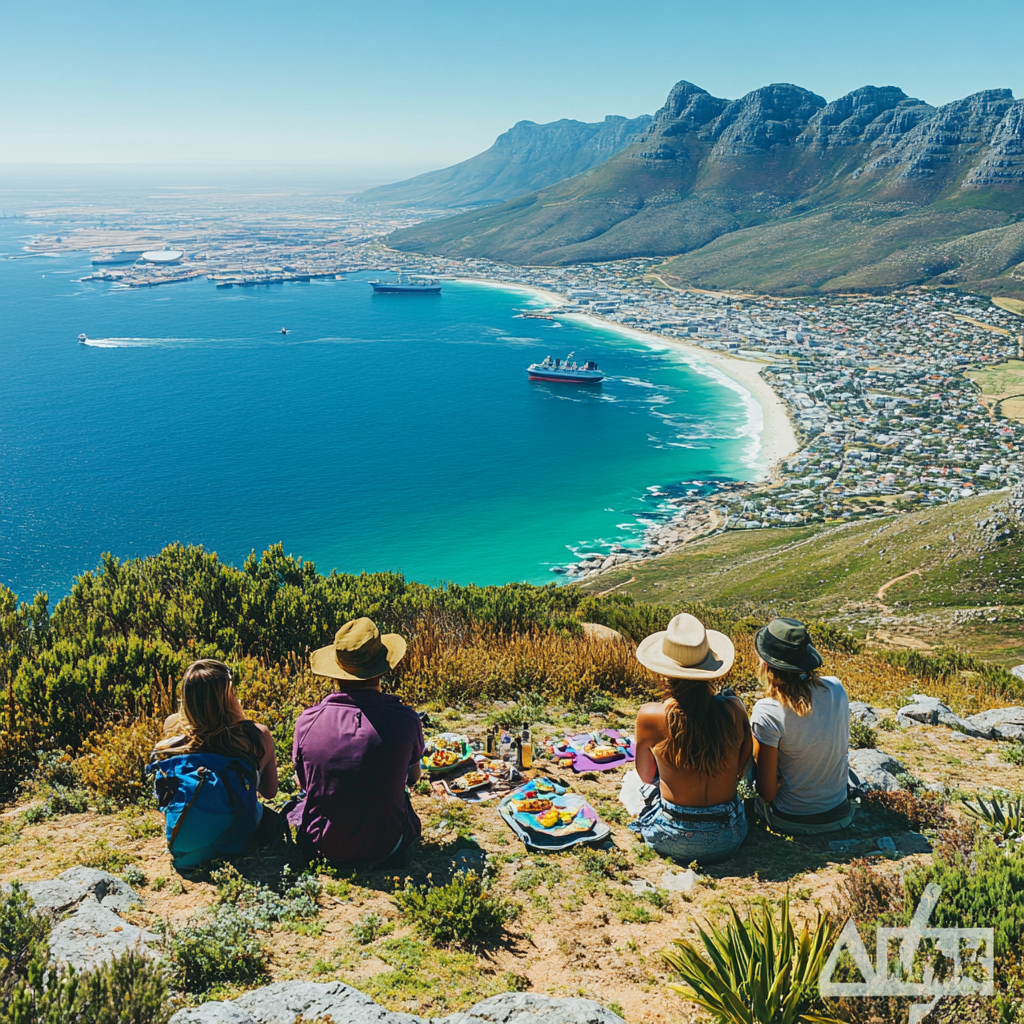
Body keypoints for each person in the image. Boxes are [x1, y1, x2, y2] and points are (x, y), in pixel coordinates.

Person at [287, 617, 424, 868]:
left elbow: (304, 782)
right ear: (383, 667)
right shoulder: (406, 719)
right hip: (389, 844)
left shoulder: (306, 722)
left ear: (336, 671)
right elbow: (413, 778)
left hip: (321, 844)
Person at [624, 612, 752, 864]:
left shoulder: (650, 716)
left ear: (664, 672)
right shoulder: (734, 709)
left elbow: (646, 776)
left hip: (673, 838)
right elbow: (739, 769)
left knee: (631, 783)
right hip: (729, 835)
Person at [150, 659, 279, 867]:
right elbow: (270, 792)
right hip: (237, 832)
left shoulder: (172, 731)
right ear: (229, 696)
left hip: (185, 835)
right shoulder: (255, 735)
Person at [750, 618, 855, 835]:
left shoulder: (768, 710)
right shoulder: (836, 688)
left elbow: (767, 793)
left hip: (790, 818)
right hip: (839, 813)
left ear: (766, 663)